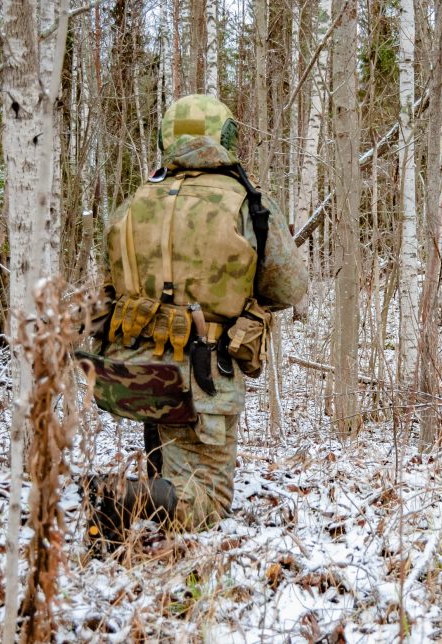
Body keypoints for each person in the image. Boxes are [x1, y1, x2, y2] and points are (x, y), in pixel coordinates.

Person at [85, 95, 308, 541]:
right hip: (203, 371)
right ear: (224, 136)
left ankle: (134, 509)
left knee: (169, 449)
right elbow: (289, 287)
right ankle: (114, 495)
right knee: (208, 497)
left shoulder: (135, 201)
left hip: (132, 365)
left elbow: (110, 279)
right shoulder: (245, 202)